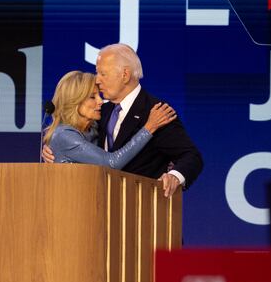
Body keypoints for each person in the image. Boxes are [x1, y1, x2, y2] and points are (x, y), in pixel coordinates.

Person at [43, 44, 203, 197]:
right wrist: (54, 152)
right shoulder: (101, 111)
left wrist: (175, 176)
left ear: (125, 75)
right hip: (96, 208)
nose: (97, 80)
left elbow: (191, 156)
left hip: (138, 208)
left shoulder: (156, 113)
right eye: (97, 73)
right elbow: (77, 140)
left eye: (103, 74)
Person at [43, 71, 176, 169]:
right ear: (74, 101)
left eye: (99, 95)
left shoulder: (95, 127)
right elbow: (111, 163)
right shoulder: (64, 135)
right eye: (92, 97)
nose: (101, 101)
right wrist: (149, 128)